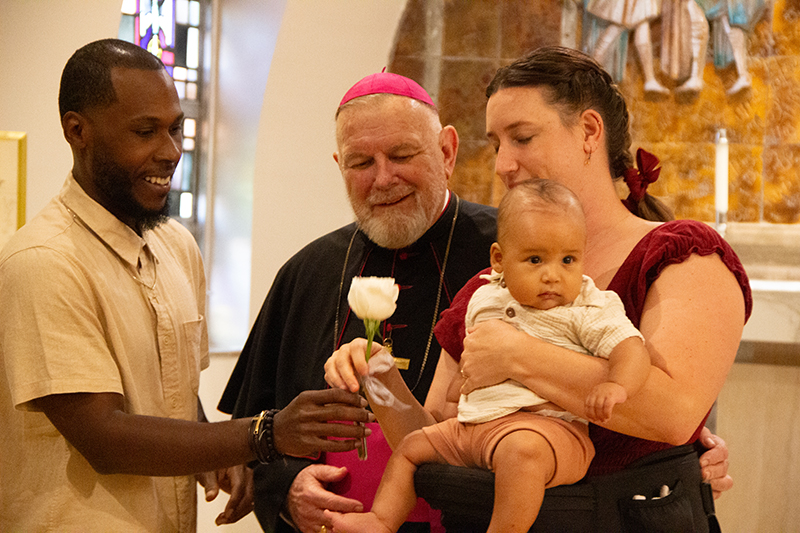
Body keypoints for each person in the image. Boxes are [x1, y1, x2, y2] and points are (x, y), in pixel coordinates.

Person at [323, 46, 751, 531]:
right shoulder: (490, 285)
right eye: (496, 143)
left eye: (522, 138)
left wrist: (518, 354)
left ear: (590, 132)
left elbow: (672, 414)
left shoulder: (682, 255)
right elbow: (440, 441)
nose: (503, 163)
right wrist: (378, 376)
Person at [0, 39, 371, 532]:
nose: (170, 151)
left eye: (175, 128)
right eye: (144, 131)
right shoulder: (44, 261)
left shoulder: (176, 246)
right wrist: (264, 434)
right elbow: (103, 436)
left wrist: (212, 447)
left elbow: (172, 390)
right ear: (77, 131)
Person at [218, 71, 498, 533]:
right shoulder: (306, 271)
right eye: (360, 162)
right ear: (338, 165)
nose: (383, 178)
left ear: (447, 152)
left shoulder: (507, 254)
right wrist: (288, 489)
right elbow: (253, 437)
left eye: (403, 155)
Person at [326, 179, 653, 533]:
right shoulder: (483, 298)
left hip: (549, 430)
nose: (552, 275)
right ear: (499, 260)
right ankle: (383, 519)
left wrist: (618, 384)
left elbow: (630, 347)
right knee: (412, 446)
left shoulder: (586, 305)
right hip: (474, 430)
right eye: (535, 259)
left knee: (521, 453)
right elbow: (463, 377)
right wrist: (388, 374)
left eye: (568, 260)